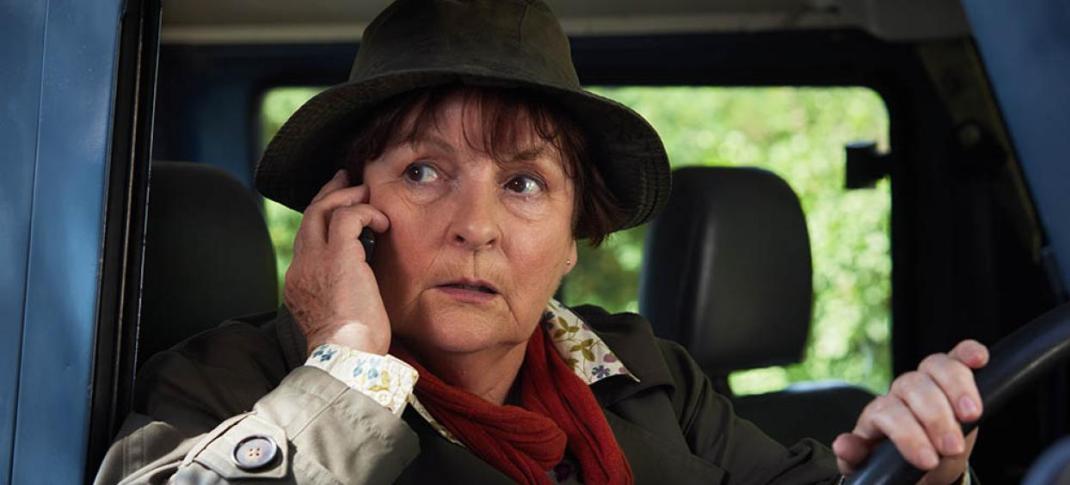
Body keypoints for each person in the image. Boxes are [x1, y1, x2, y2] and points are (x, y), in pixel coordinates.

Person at [96, 0, 988, 483]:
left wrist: (919, 467)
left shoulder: (647, 375)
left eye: (524, 184)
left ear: (571, 239)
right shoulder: (222, 383)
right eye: (422, 172)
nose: (476, 224)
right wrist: (349, 367)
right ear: (346, 207)